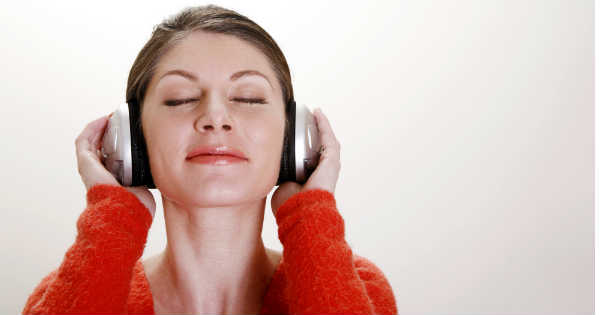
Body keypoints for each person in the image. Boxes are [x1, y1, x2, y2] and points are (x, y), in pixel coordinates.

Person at [22, 4, 397, 314]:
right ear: (131, 138)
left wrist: (310, 217)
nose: (216, 117)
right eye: (180, 98)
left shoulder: (361, 290)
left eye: (249, 97)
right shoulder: (72, 292)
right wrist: (113, 222)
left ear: (294, 136)